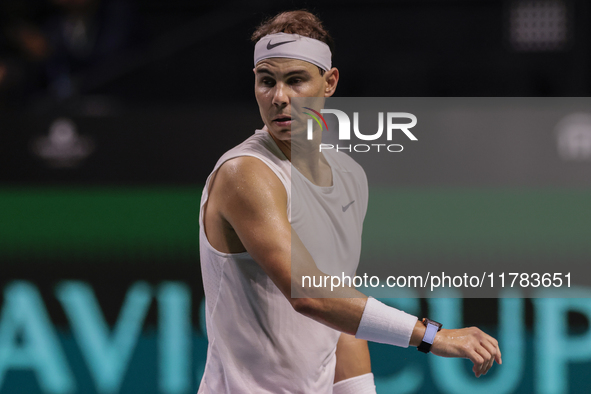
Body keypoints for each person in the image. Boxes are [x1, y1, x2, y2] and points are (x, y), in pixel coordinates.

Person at [198, 10, 501, 393]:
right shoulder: (246, 174)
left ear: (329, 82)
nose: (279, 97)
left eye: (295, 80)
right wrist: (431, 335)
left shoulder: (349, 176)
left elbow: (342, 313)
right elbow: (310, 294)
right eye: (266, 81)